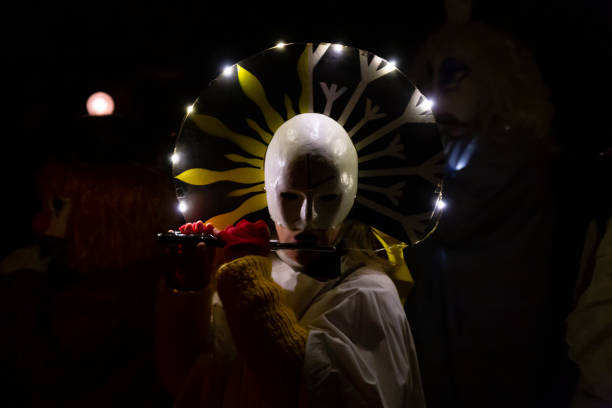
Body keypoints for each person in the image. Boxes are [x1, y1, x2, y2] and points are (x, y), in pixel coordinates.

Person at [155, 113, 426, 407]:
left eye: (327, 198)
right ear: (268, 193)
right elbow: (190, 381)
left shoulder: (369, 294)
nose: (307, 218)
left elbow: (319, 393)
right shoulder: (242, 273)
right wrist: (191, 291)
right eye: (290, 196)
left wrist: (248, 281)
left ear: (350, 196)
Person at [404, 1, 562, 406]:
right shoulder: (456, 147)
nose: (437, 91)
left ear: (494, 79)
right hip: (447, 353)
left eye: (454, 76)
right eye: (430, 76)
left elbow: (450, 219)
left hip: (493, 359)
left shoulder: (513, 155)